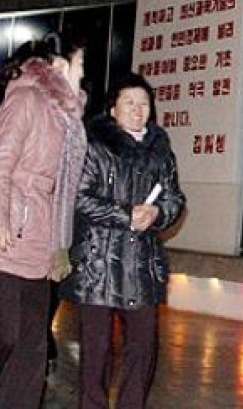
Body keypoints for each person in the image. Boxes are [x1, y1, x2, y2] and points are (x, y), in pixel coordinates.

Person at [0, 32, 88, 408]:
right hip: (4, 230)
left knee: (32, 349)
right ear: (57, 64)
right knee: (0, 336)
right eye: (80, 64)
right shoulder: (26, 97)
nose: (83, 73)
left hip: (39, 239)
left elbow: (67, 188)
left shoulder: (70, 122)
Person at [60, 72, 185, 409]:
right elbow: (78, 198)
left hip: (142, 265)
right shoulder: (95, 148)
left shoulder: (161, 153)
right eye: (129, 102)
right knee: (96, 354)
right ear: (113, 109)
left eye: (144, 103)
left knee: (142, 351)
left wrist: (158, 213)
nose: (138, 109)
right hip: (98, 264)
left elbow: (175, 199)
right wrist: (126, 214)